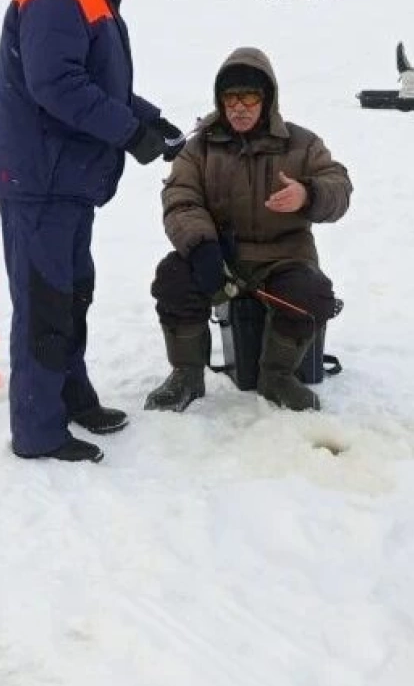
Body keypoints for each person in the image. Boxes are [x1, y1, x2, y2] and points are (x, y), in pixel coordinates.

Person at [0, 0, 183, 464]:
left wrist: (150, 121)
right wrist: (130, 134)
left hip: (64, 182)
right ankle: (38, 429)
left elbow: (100, 85)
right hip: (38, 182)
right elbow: (58, 87)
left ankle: (70, 397)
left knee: (70, 297)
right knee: (45, 303)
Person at [145, 46, 352, 413]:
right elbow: (180, 197)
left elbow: (339, 187)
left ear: (267, 98)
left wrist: (309, 193)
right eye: (231, 97)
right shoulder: (200, 149)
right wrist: (201, 246)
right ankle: (186, 375)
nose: (239, 107)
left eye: (250, 97)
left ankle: (277, 377)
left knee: (312, 295)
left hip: (284, 256)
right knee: (173, 278)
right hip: (223, 255)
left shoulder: (302, 144)